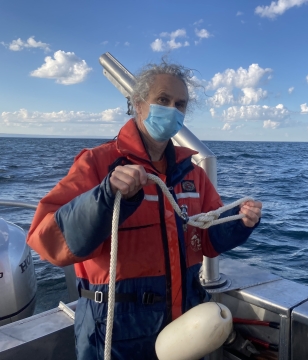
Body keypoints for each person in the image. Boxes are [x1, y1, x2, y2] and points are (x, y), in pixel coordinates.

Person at [26, 60, 262, 360]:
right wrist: (106, 196)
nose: (172, 110)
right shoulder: (97, 164)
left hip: (183, 329)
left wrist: (240, 222)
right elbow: (47, 242)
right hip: (115, 334)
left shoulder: (192, 174)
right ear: (138, 104)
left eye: (180, 104)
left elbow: (207, 240)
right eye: (162, 100)